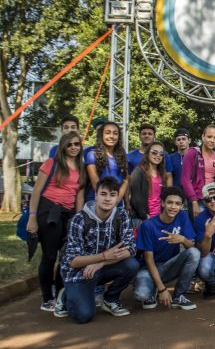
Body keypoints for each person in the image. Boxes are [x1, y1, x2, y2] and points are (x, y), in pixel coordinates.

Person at [57, 177, 138, 323]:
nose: (108, 199)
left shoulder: (122, 215)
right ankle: (65, 295)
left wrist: (101, 262)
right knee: (84, 316)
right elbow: (72, 261)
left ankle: (110, 298)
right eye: (103, 194)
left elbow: (131, 248)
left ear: (117, 198)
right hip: (78, 273)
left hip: (101, 267)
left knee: (132, 264)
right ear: (96, 195)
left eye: (112, 195)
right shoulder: (79, 219)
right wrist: (103, 256)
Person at [28, 131, 86, 312]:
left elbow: (79, 196)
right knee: (50, 256)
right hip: (49, 211)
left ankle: (61, 294)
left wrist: (79, 220)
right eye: (70, 144)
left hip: (68, 214)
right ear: (63, 146)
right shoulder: (51, 163)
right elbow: (36, 191)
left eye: (77, 144)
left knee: (67, 257)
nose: (74, 147)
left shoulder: (81, 167)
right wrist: (32, 217)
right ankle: (47, 298)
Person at [133, 187, 199, 311]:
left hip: (169, 266)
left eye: (177, 204)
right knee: (142, 295)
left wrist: (183, 240)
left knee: (194, 253)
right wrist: (163, 289)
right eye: (170, 202)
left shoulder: (182, 217)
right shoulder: (148, 225)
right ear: (163, 203)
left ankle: (179, 296)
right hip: (148, 269)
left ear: (181, 206)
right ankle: (154, 288)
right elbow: (149, 259)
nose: (173, 207)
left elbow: (192, 246)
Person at [181, 124, 215, 218]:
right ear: (203, 136)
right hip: (198, 199)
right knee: (200, 229)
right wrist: (194, 202)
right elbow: (185, 180)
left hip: (213, 199)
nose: (212, 140)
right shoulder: (192, 153)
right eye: (209, 137)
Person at [85, 121, 129, 204]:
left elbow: (125, 181)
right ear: (101, 135)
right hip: (97, 203)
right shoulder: (92, 155)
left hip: (117, 202)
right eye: (108, 133)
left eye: (115, 133)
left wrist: (116, 201)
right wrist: (111, 201)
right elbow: (96, 185)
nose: (112, 136)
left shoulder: (123, 155)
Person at [128, 142, 167, 227]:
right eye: (154, 152)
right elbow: (135, 198)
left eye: (161, 154)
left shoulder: (161, 173)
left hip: (158, 217)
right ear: (147, 153)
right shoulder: (139, 171)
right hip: (142, 218)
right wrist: (145, 216)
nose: (158, 155)